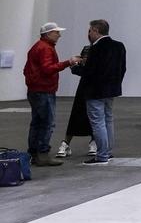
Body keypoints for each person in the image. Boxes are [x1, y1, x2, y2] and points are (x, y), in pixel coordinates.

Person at [24, 22, 80, 167]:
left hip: (35, 90)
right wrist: (68, 62)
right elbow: (47, 69)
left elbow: (27, 69)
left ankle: (33, 153)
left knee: (36, 123)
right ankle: (42, 154)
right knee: (47, 123)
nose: (59, 35)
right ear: (48, 34)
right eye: (57, 32)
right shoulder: (45, 48)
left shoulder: (38, 46)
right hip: (44, 90)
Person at [78, 20, 126, 165]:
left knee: (98, 122)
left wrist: (75, 67)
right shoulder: (119, 46)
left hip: (95, 90)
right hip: (111, 89)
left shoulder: (96, 48)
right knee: (108, 120)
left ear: (96, 30)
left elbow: (90, 71)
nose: (89, 34)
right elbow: (122, 68)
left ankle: (102, 154)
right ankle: (108, 151)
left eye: (90, 30)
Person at [55, 41, 96, 160]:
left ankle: (93, 142)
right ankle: (66, 143)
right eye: (85, 57)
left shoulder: (94, 66)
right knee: (77, 117)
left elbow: (81, 70)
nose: (86, 59)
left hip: (93, 91)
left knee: (94, 118)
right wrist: (74, 65)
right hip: (84, 92)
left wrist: (74, 65)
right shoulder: (86, 66)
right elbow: (79, 70)